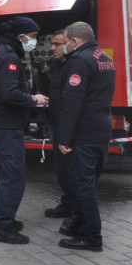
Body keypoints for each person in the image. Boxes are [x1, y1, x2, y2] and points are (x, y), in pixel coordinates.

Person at [0, 16, 48, 245]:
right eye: (33, 36)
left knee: (5, 175)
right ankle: (1, 227)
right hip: (7, 126)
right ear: (21, 36)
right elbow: (9, 93)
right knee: (13, 177)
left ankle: (1, 218)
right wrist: (34, 99)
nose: (34, 41)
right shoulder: (9, 56)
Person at [56, 21, 115, 252]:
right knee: (87, 184)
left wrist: (64, 138)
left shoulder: (80, 60)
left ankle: (91, 237)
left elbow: (73, 102)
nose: (65, 46)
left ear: (74, 40)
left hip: (84, 134)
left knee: (82, 187)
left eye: (66, 41)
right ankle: (78, 225)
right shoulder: (105, 58)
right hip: (101, 131)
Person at [43, 30, 74, 219]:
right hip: (57, 124)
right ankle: (68, 204)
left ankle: (76, 211)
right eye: (52, 44)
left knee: (72, 171)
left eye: (57, 44)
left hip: (68, 128)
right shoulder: (56, 66)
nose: (53, 48)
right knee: (62, 170)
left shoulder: (74, 67)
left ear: (70, 44)